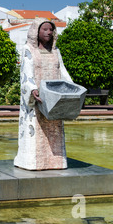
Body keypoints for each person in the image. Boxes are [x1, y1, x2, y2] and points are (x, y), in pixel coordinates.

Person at [13, 18, 73, 170]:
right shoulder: (28, 50)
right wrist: (32, 88)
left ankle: (55, 162)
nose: (48, 32)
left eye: (51, 29)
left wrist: (71, 87)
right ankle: (31, 162)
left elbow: (63, 72)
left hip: (55, 100)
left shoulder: (55, 52)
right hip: (37, 99)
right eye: (45, 29)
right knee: (35, 130)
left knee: (54, 128)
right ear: (36, 32)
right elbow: (26, 72)